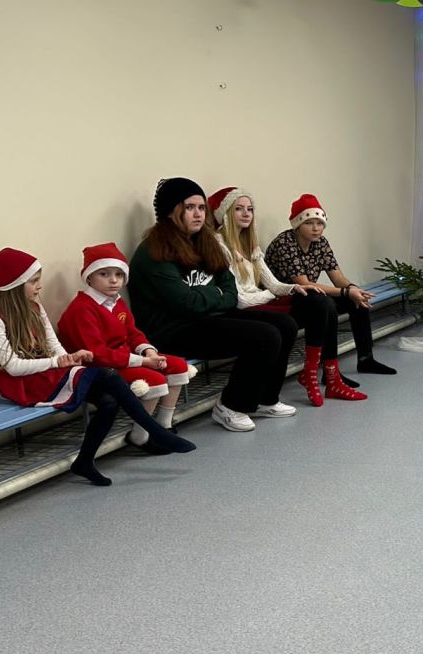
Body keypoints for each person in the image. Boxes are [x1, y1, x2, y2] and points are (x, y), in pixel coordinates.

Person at [0, 248, 194, 486]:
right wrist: (58, 362)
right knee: (107, 375)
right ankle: (155, 431)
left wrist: (69, 358)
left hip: (49, 373)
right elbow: (13, 367)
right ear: (13, 285)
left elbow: (54, 345)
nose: (39, 286)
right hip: (24, 383)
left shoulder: (35, 307)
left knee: (109, 401)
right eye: (33, 281)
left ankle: (84, 461)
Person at [128, 177, 297, 433]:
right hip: (173, 330)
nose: (198, 214)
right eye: (189, 207)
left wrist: (210, 296)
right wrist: (215, 294)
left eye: (201, 207)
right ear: (171, 211)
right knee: (264, 336)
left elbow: (230, 290)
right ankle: (231, 406)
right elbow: (186, 304)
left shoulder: (204, 240)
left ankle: (265, 399)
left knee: (285, 325)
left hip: (208, 318)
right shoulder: (154, 251)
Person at [210, 187, 365, 407]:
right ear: (225, 214)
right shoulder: (220, 244)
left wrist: (293, 289)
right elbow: (240, 298)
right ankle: (311, 377)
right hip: (245, 306)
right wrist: (276, 293)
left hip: (263, 299)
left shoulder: (249, 242)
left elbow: (273, 283)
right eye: (239, 209)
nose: (246, 214)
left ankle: (326, 375)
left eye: (250, 209)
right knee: (314, 307)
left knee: (322, 302)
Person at [56, 243, 197, 453]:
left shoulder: (116, 302)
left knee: (177, 365)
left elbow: (132, 333)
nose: (114, 280)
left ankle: (164, 426)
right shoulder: (82, 309)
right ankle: (140, 436)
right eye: (104, 274)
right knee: (155, 379)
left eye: (119, 274)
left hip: (125, 357)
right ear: (89, 277)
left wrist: (148, 351)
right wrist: (143, 361)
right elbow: (98, 354)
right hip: (101, 367)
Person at [264, 194, 396, 380]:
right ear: (297, 224)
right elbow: (303, 283)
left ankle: (366, 359)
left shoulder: (321, 243)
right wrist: (346, 291)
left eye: (320, 223)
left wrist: (353, 289)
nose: (316, 228)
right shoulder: (285, 242)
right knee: (328, 305)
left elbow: (338, 277)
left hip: (309, 297)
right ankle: (330, 372)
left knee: (356, 300)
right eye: (309, 223)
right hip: (284, 300)